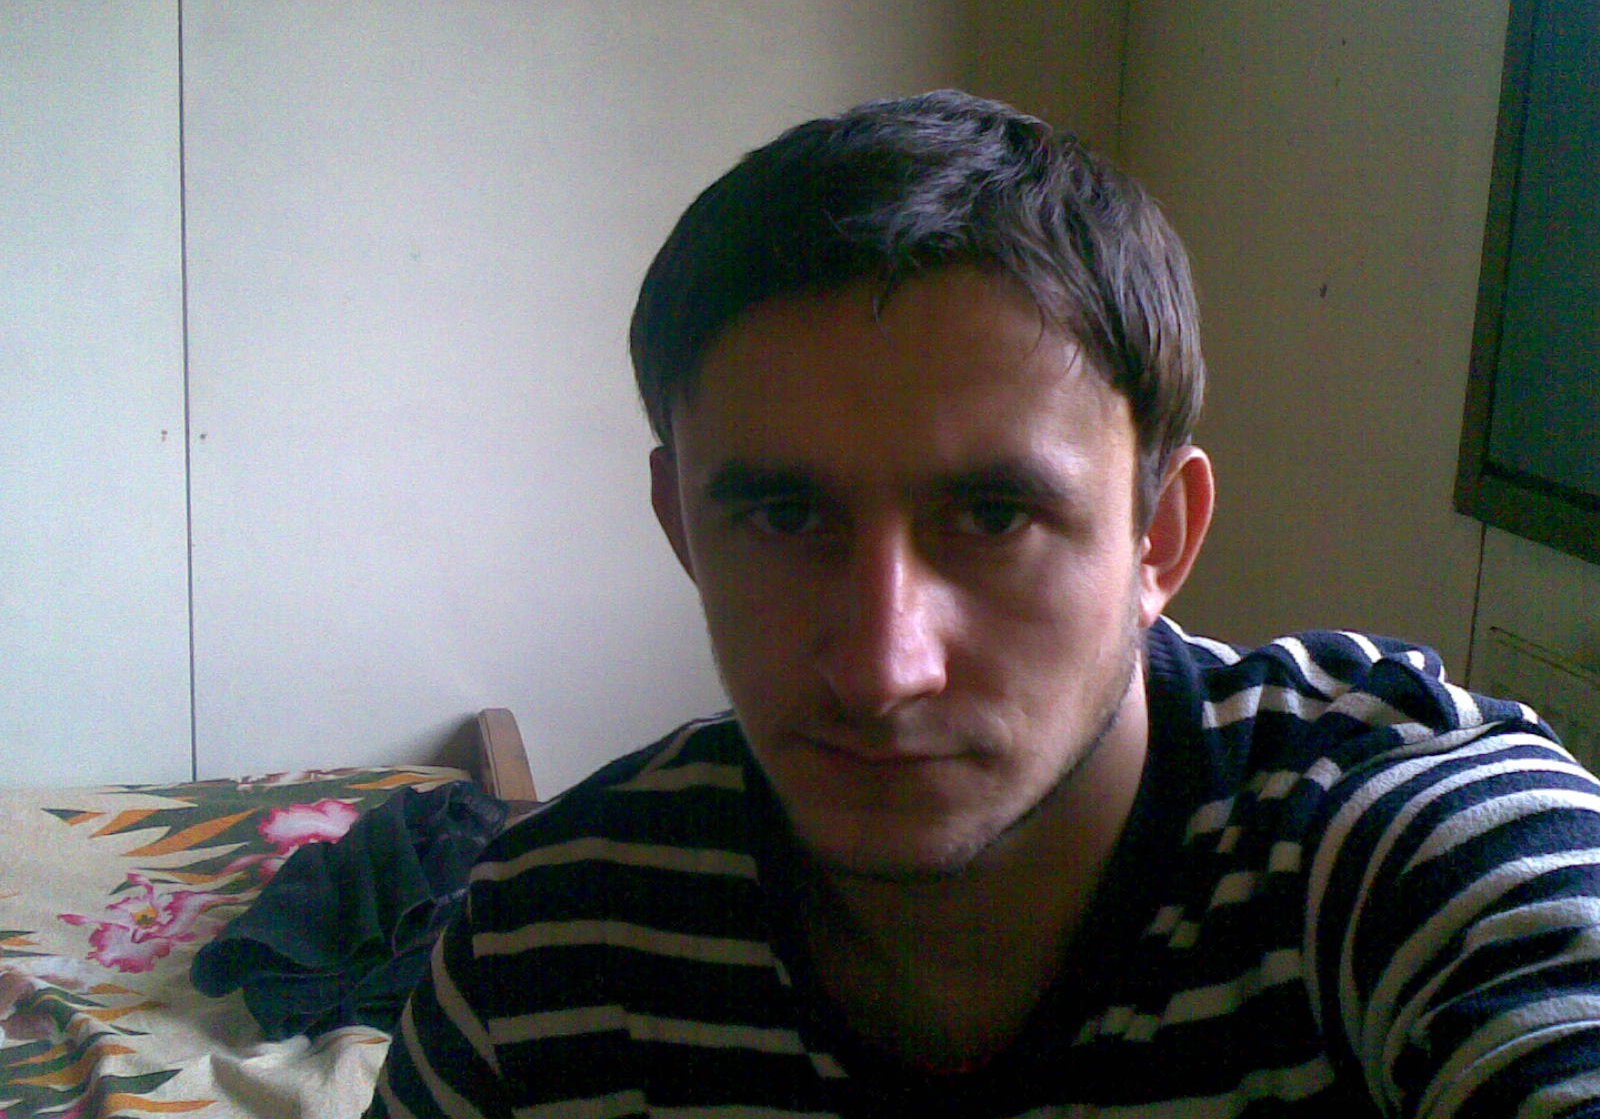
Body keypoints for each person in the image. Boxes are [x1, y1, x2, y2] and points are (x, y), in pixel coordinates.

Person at [368, 91, 1600, 1117]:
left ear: (1160, 537)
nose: (882, 667)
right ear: (682, 526)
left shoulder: (1408, 856)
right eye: (785, 517)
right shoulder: (540, 953)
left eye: (995, 517)